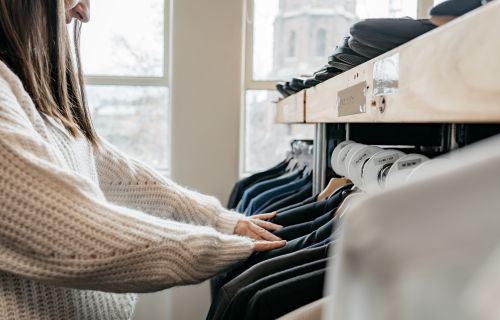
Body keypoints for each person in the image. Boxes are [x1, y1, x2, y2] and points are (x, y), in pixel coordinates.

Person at [0, 0, 286, 319]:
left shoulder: (23, 87)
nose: (84, 12)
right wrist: (222, 248)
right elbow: (70, 232)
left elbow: (114, 171)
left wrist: (222, 220)